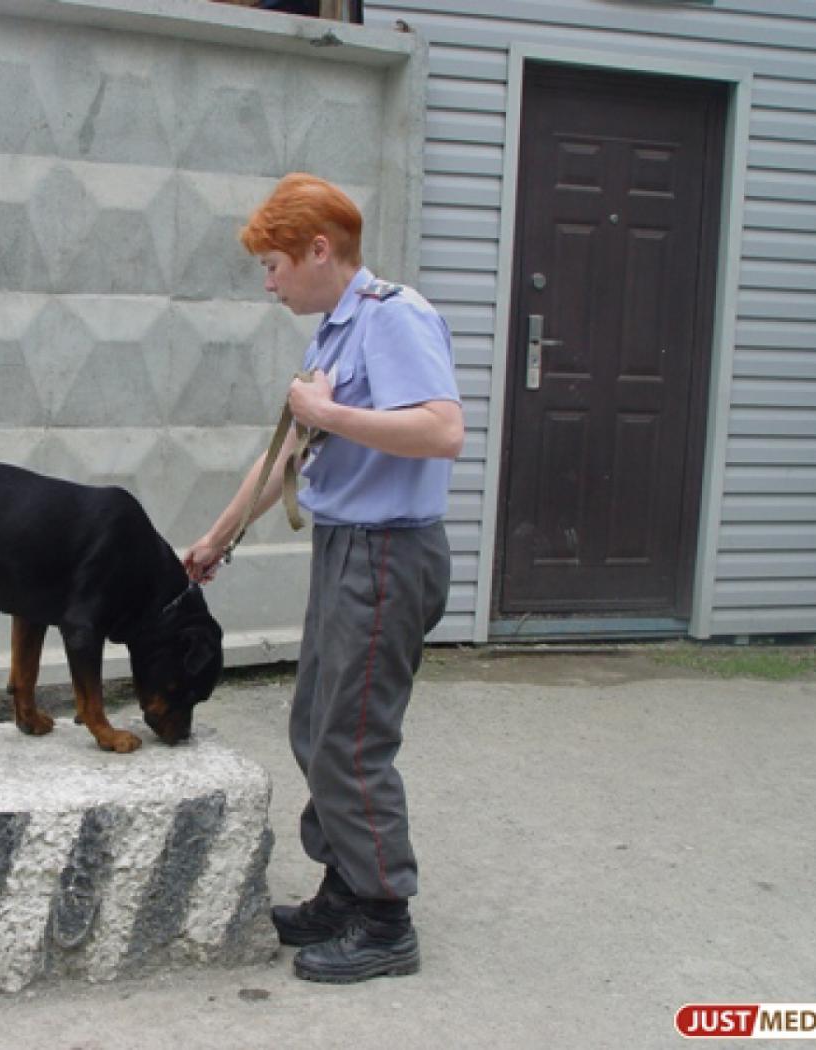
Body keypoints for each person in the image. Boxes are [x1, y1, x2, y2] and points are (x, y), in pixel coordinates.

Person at [183, 173, 463, 983]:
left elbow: (442, 430)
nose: (268, 283)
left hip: (388, 554)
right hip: (348, 547)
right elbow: (289, 455)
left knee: (349, 737)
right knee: (314, 725)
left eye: (274, 265)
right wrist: (215, 537)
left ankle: (385, 919)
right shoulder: (335, 335)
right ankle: (345, 887)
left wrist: (328, 412)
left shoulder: (393, 317)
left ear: (318, 250)